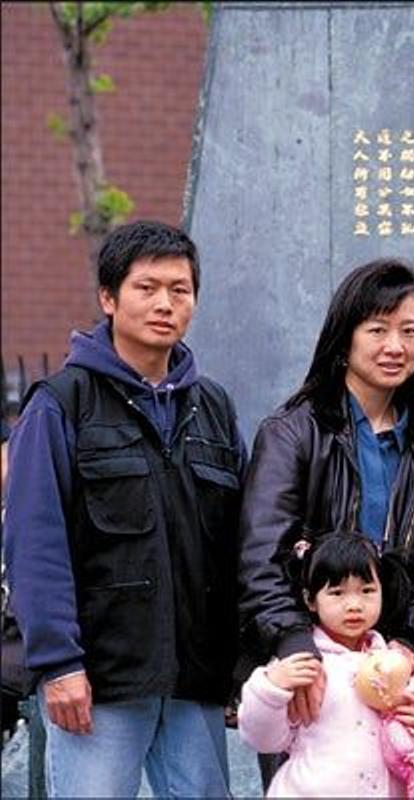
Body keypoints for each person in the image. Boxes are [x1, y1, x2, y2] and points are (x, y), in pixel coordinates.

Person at [2, 220, 245, 798]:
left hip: (194, 680)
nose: (165, 303)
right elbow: (34, 543)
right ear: (108, 299)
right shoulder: (62, 405)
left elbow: (234, 543)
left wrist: (243, 663)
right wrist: (58, 664)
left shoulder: (211, 406)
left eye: (180, 290)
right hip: (99, 684)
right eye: (147, 287)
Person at [238, 258, 414, 730]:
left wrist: (409, 643)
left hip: (394, 671)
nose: (395, 346)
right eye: (377, 330)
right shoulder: (293, 435)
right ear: (345, 337)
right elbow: (262, 560)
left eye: (409, 332)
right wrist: (296, 646)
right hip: (311, 672)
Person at [239, 532, 414, 797]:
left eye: (367, 591)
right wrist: (271, 686)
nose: (354, 605)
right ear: (310, 600)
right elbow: (263, 738)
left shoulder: (393, 660)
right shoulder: (303, 666)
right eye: (337, 593)